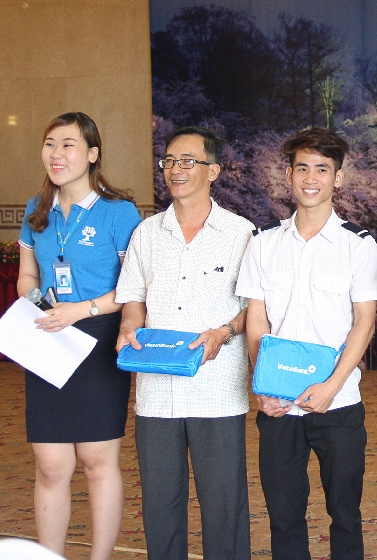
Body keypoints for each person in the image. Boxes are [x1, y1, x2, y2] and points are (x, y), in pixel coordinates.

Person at [236, 128, 377, 560]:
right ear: (289, 175)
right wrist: (263, 386)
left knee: (345, 513)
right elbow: (257, 320)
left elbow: (364, 323)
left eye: (322, 169)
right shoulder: (263, 243)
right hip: (278, 405)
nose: (311, 178)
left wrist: (332, 386)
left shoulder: (358, 245)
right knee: (283, 516)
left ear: (338, 178)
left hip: (338, 404)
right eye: (302, 168)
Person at [114, 126, 254, 560]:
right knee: (160, 504)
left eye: (188, 161)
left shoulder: (241, 233)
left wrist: (224, 333)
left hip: (217, 388)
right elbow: (133, 300)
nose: (176, 169)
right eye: (169, 161)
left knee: (224, 504)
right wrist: (128, 328)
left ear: (213, 171)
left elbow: (256, 308)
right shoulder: (147, 232)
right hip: (156, 390)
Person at [16, 112, 142, 560]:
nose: (56, 154)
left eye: (68, 144)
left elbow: (134, 287)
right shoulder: (36, 209)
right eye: (50, 143)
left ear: (92, 154)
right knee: (51, 465)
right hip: (49, 335)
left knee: (95, 461)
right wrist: (37, 301)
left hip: (99, 338)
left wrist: (81, 310)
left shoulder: (118, 212)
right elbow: (27, 276)